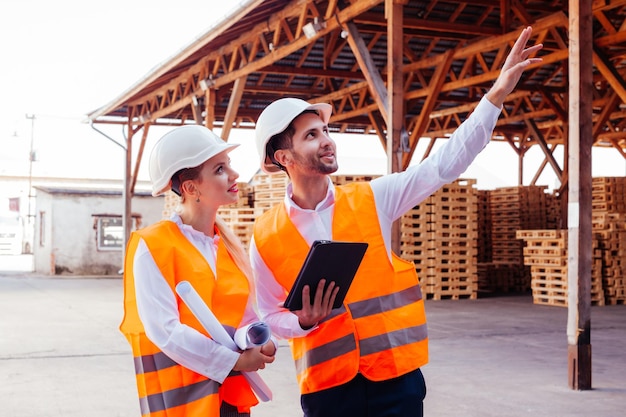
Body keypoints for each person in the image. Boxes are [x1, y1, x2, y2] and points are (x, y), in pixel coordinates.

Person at [249, 26, 543, 417]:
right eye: (311, 135)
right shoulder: (265, 235)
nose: (327, 140)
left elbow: (444, 165)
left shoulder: (374, 197)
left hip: (396, 381)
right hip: (328, 391)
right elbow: (268, 315)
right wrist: (302, 322)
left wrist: (497, 94)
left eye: (325, 130)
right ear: (284, 158)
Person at [119, 125, 277, 417]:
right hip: (182, 402)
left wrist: (260, 341)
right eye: (219, 169)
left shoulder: (227, 248)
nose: (234, 175)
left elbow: (242, 317)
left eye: (228, 165)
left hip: (228, 398)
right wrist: (234, 362)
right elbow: (163, 330)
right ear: (191, 189)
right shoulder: (152, 244)